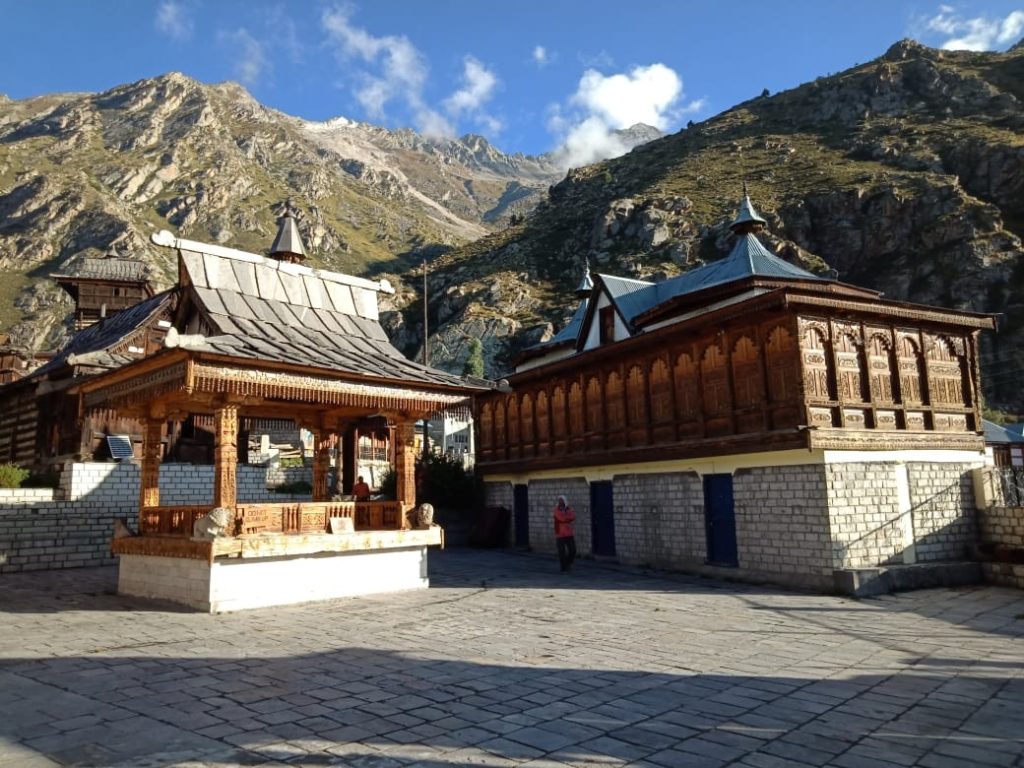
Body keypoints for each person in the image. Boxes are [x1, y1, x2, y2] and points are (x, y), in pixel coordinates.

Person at [553, 495, 577, 572]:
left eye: (561, 500)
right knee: (562, 552)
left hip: (569, 533)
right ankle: (563, 568)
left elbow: (573, 516)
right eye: (559, 500)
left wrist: (566, 517)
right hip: (560, 533)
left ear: (564, 501)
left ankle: (568, 563)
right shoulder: (556, 510)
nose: (560, 502)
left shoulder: (568, 509)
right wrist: (567, 518)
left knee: (573, 550)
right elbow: (560, 518)